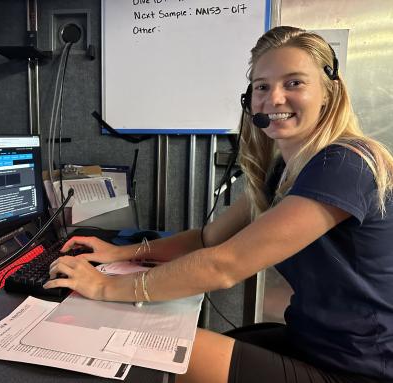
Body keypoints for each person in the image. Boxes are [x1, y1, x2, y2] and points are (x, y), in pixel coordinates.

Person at [44, 26, 393, 382]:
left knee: (157, 349)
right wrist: (120, 254)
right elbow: (208, 240)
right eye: (261, 86)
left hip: (361, 367)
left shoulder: (343, 164)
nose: (273, 99)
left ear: (328, 93)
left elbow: (224, 265)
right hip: (313, 341)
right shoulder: (284, 170)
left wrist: (105, 288)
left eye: (293, 83)